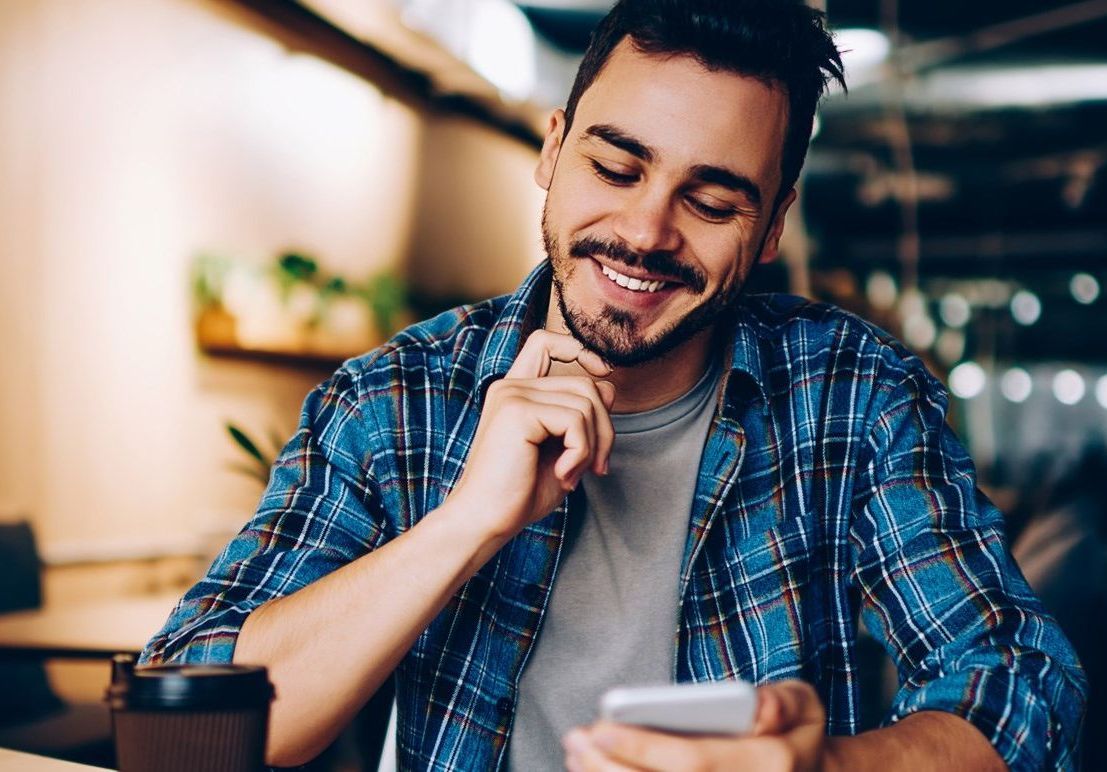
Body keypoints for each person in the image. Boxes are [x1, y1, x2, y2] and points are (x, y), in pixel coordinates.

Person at [141, 1, 1086, 769]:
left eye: (712, 201)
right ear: (552, 150)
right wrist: (462, 524)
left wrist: (829, 770)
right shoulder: (396, 399)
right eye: (615, 164)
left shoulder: (852, 396)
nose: (645, 231)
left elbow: (1022, 685)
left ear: (771, 228)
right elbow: (186, 723)